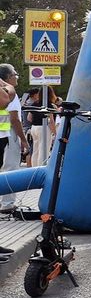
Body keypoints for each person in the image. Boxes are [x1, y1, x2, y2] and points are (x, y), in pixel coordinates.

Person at [0, 64, 23, 223]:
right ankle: (7, 204)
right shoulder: (8, 92)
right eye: (15, 74)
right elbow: (14, 119)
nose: (17, 77)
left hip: (4, 133)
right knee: (10, 169)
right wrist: (23, 139)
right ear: (8, 77)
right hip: (8, 134)